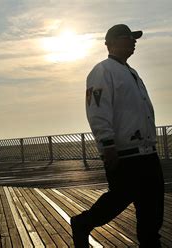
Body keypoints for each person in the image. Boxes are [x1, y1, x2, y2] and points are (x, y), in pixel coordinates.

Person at [71, 24, 165, 247]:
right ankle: (83, 223)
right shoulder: (102, 71)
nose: (133, 41)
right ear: (111, 42)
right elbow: (97, 110)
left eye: (134, 38)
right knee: (116, 202)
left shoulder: (132, 72)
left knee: (152, 213)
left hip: (147, 152)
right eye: (128, 37)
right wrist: (107, 145)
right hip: (124, 154)